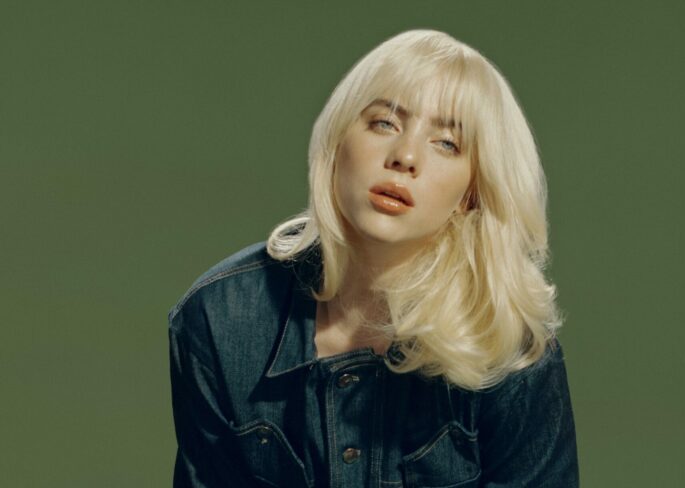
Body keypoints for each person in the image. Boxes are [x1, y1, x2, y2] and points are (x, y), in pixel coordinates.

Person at [168, 29, 578, 488]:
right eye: (385, 123)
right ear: (338, 140)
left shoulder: (508, 345)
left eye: (446, 143)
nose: (404, 156)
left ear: (472, 193)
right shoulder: (221, 319)